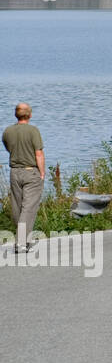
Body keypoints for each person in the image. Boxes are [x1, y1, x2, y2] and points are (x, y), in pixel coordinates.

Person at [3, 102, 44, 252]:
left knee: (17, 207)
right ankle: (21, 242)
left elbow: (8, 148)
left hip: (15, 171)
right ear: (30, 115)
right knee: (29, 207)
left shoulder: (8, 131)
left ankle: (23, 239)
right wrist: (42, 172)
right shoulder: (33, 131)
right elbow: (38, 153)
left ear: (16, 114)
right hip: (30, 170)